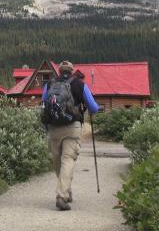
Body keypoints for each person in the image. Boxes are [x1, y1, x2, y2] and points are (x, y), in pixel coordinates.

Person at [41, 60, 99, 211]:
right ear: (72, 71)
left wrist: (47, 126)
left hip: (53, 128)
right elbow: (93, 107)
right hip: (72, 128)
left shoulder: (49, 85)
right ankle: (61, 195)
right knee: (68, 160)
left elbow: (44, 105)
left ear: (59, 71)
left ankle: (66, 191)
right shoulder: (79, 84)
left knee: (58, 162)